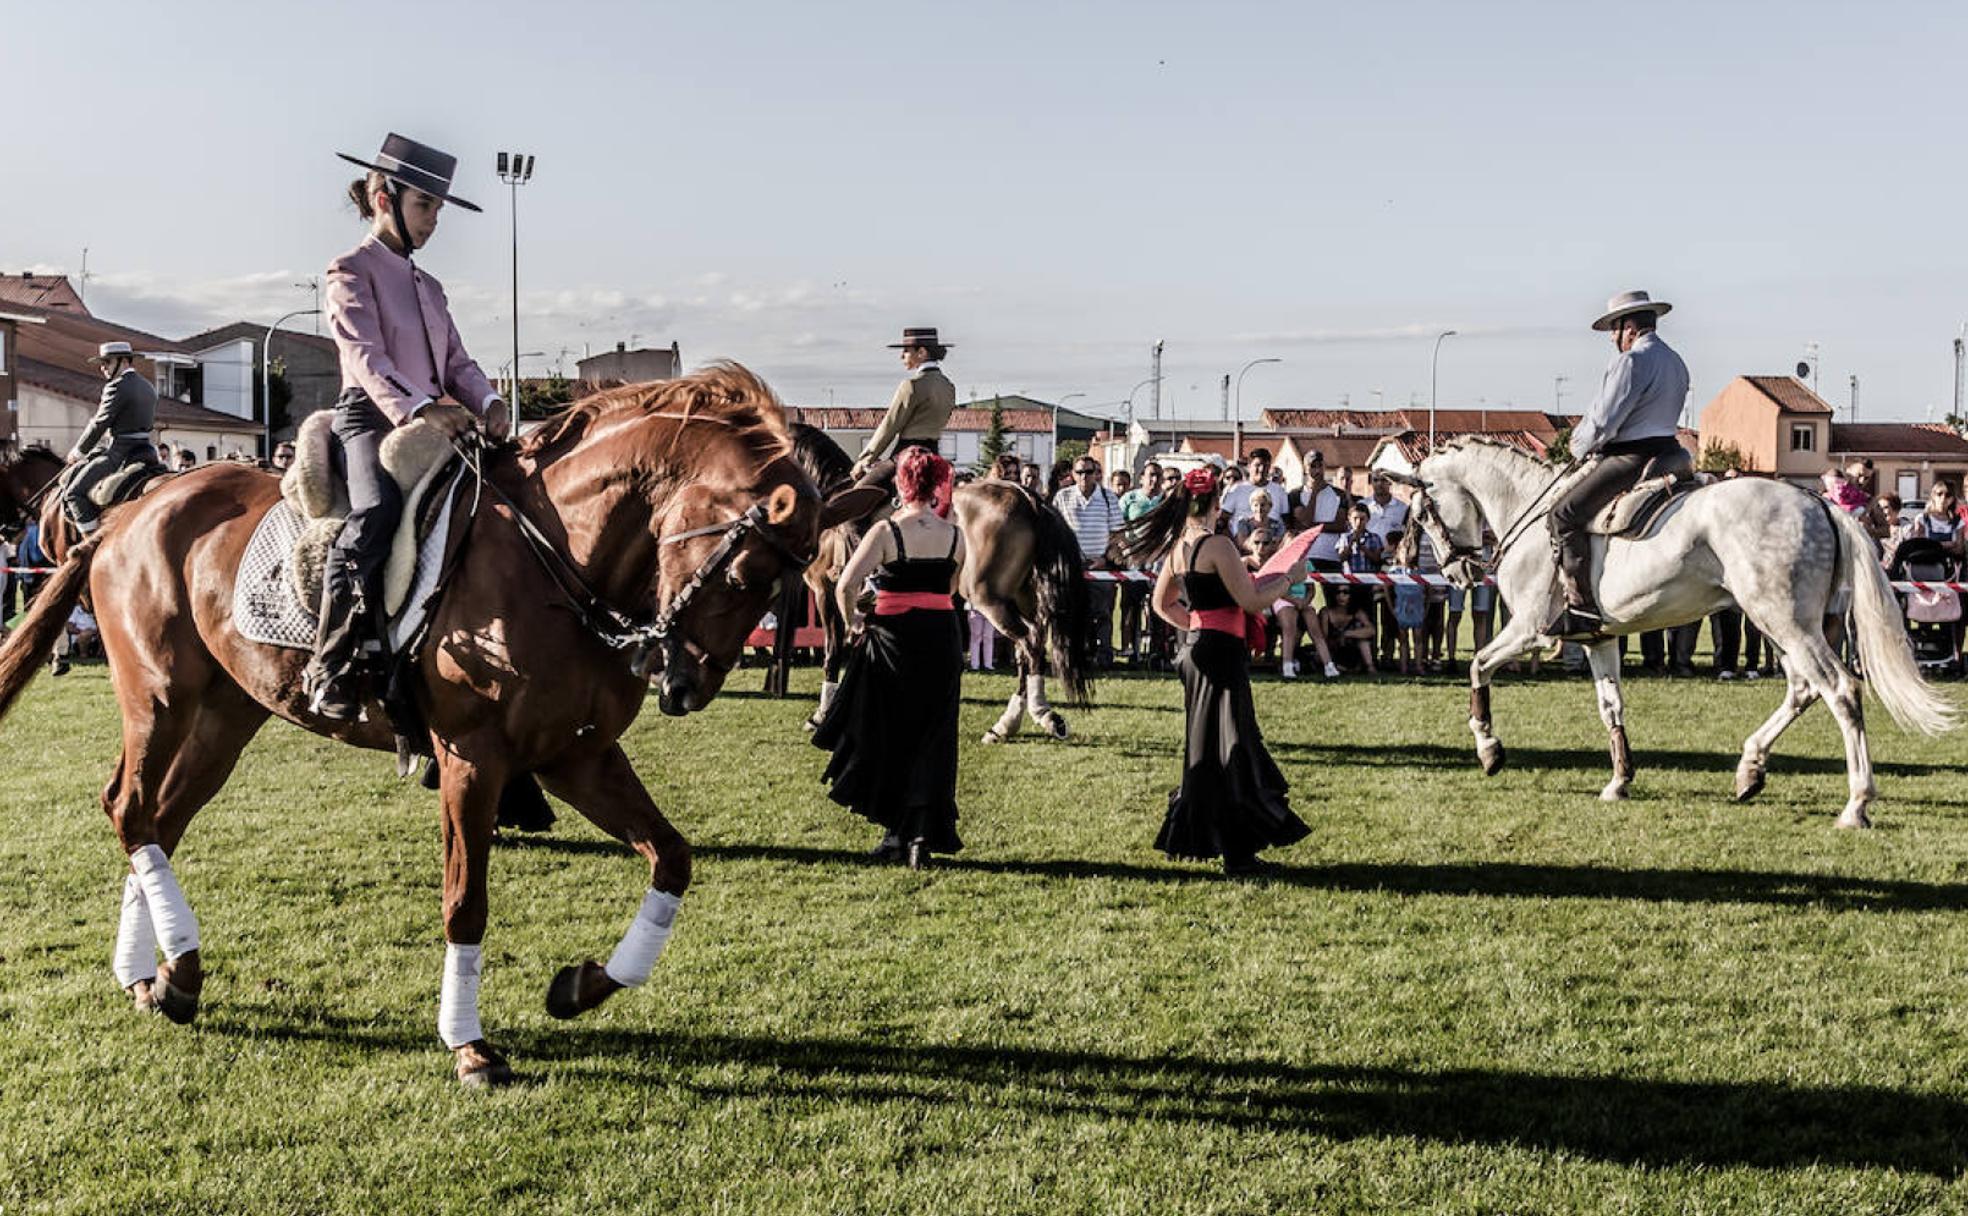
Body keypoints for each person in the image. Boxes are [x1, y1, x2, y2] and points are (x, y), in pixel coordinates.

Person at [307, 133, 509, 721]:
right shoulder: (349, 270)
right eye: (426, 206)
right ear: (382, 199)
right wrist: (423, 408)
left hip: (437, 422)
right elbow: (368, 358)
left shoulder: (431, 288)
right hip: (368, 417)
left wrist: (490, 399)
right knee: (375, 512)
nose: (434, 221)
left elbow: (459, 366)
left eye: (439, 210)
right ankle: (332, 660)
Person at [1124, 465, 1309, 876]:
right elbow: (1251, 601)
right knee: (1234, 745)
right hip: (1221, 653)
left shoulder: (1177, 548)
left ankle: (1200, 837)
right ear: (1214, 503)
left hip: (1195, 651)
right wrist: (1290, 579)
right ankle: (1238, 854)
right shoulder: (1219, 546)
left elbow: (1161, 604)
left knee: (1206, 748)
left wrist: (1196, 625)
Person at [813, 448, 966, 870]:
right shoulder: (955, 535)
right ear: (935, 486)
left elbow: (846, 586)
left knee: (892, 734)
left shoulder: (884, 531)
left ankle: (897, 831)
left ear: (900, 484)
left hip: (894, 639)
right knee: (935, 737)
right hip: (940, 639)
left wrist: (855, 622)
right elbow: (950, 590)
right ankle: (921, 835)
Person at [1545, 289, 1691, 639]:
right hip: (1672, 452)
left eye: (1614, 328)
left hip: (1631, 456)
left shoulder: (1631, 362)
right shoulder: (1676, 361)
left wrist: (1576, 447)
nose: (1613, 337)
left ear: (1629, 328)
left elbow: (1603, 421)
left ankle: (1581, 608)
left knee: (1562, 515)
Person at [62, 342, 165, 536]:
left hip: (121, 452)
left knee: (73, 494)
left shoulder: (117, 386)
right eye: (102, 363)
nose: (103, 368)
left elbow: (99, 423)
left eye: (107, 362)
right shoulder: (148, 386)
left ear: (124, 361)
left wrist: (78, 452)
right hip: (147, 450)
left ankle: (90, 543)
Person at [851, 327, 956, 494]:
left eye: (906, 351)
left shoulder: (911, 385)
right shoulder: (948, 386)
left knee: (857, 495)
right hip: (935, 454)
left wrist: (865, 459)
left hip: (907, 455)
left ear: (921, 352)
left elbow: (890, 425)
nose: (902, 356)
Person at [1054, 456, 1125, 667]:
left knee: (1103, 614)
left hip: (1101, 567)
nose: (1084, 476)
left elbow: (1118, 534)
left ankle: (1104, 657)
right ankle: (1076, 656)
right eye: (1080, 472)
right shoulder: (1062, 496)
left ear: (1096, 473)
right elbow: (1055, 533)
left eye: (1089, 472)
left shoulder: (1108, 497)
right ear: (1073, 474)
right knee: (1072, 613)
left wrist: (1105, 559)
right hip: (1072, 567)